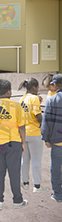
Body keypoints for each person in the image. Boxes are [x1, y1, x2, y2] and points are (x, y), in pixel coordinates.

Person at [0, 79, 27, 210]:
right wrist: (23, 143)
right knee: (14, 173)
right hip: (14, 143)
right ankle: (18, 201)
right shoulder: (17, 106)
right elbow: (22, 128)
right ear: (9, 91)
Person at [18, 78, 47, 193]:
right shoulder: (34, 98)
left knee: (24, 160)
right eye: (37, 87)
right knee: (36, 161)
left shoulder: (21, 99)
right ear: (34, 87)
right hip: (34, 133)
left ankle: (25, 183)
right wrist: (44, 124)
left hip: (23, 133)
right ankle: (37, 186)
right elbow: (38, 116)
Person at [41, 74, 62, 203]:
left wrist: (46, 138)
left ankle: (58, 194)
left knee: (56, 168)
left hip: (57, 140)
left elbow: (46, 121)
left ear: (54, 85)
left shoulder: (52, 100)